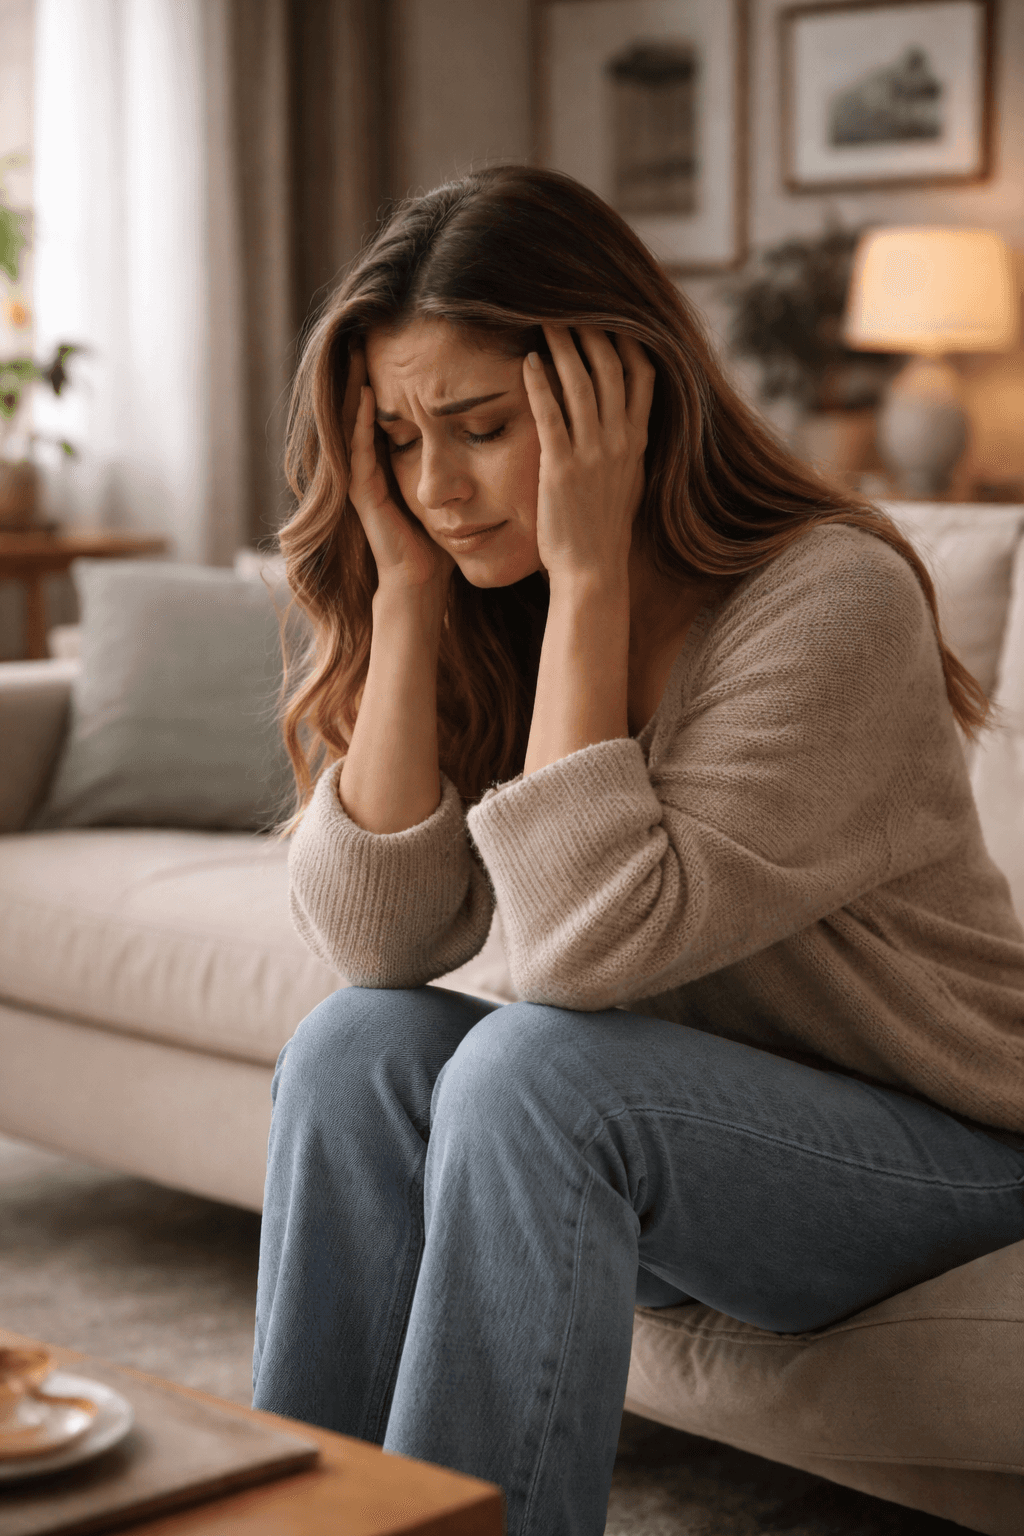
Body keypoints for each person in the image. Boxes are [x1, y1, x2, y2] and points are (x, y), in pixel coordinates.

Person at [252, 166, 1024, 1536]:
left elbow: (573, 959)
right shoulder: (492, 592)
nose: (437, 485)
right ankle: (298, 1523)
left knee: (537, 1071)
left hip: (944, 1147)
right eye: (400, 440)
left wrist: (595, 573)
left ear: (617, 398)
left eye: (481, 427)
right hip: (691, 1136)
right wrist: (413, 596)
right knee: (354, 1046)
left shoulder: (828, 598)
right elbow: (377, 945)